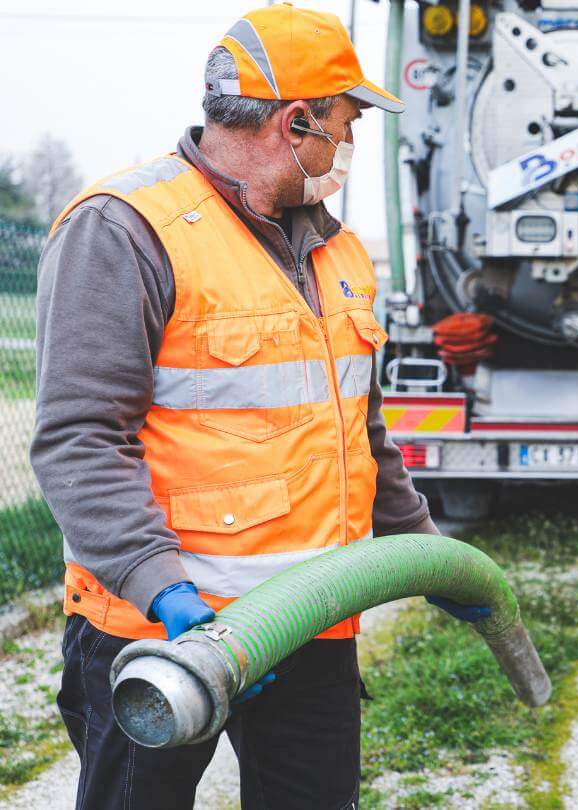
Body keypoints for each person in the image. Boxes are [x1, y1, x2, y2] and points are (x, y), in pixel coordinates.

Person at [31, 6, 485, 808]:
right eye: (347, 122)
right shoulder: (127, 228)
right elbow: (79, 439)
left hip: (309, 627)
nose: (350, 144)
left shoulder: (336, 249)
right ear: (296, 120)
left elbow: (359, 430)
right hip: (161, 632)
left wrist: (422, 547)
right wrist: (157, 586)